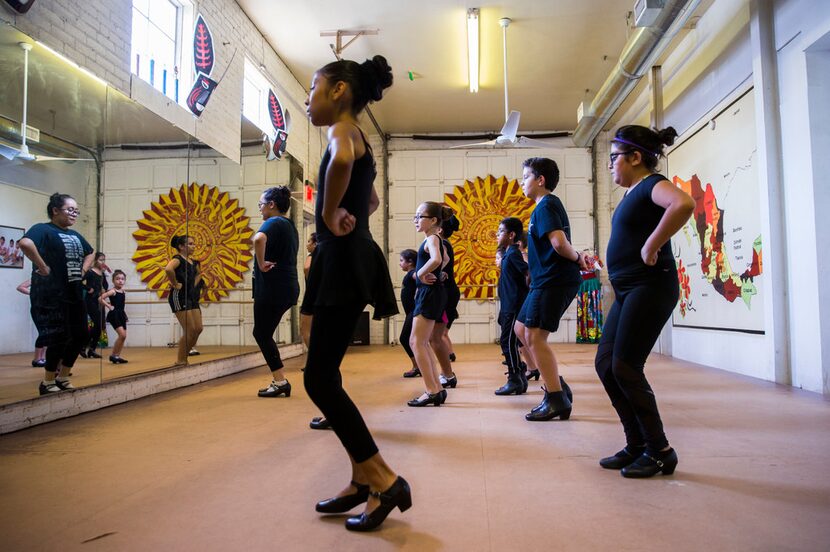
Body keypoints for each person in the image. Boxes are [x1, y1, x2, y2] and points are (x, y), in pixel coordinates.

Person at [302, 54, 410, 531]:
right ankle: (361, 478)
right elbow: (370, 199)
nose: (308, 99)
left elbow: (344, 163)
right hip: (350, 257)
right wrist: (347, 209)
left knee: (318, 378)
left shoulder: (342, 132)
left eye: (312, 88)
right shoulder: (359, 134)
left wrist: (327, 213)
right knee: (326, 375)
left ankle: (385, 480)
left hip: (343, 259)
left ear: (339, 90)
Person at [596, 125, 694, 478]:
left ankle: (659, 451)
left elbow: (683, 203)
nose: (610, 166)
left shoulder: (653, 184)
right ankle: (636, 444)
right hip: (629, 289)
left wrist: (652, 244)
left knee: (625, 367)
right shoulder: (634, 192)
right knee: (606, 365)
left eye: (613, 158)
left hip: (649, 286)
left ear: (636, 157)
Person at [514, 157, 584, 421]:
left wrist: (578, 258)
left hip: (555, 279)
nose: (522, 183)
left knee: (534, 337)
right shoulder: (543, 207)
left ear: (540, 180)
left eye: (525, 177)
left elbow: (558, 243)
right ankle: (558, 385)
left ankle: (556, 400)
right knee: (520, 329)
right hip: (545, 280)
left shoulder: (546, 206)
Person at [18, 193, 94, 394]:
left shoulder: (76, 235)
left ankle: (63, 376)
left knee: (81, 335)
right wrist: (42, 266)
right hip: (53, 295)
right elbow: (25, 243)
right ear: (55, 210)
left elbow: (91, 252)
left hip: (74, 293)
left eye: (76, 211)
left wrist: (84, 270)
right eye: (70, 210)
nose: (74, 214)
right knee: (59, 337)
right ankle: (48, 380)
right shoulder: (42, 229)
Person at [252, 186, 300, 398]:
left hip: (273, 288)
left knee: (261, 333)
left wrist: (261, 263)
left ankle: (280, 381)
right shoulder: (288, 225)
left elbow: (258, 239)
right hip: (286, 286)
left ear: (272, 205)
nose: (260, 209)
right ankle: (280, 380)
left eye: (261, 205)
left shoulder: (272, 222)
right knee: (263, 333)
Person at [408, 201, 451, 407]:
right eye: (415, 217)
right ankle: (437, 389)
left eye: (419, 216)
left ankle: (432, 390)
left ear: (433, 220)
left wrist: (420, 274)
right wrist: (438, 272)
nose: (415, 220)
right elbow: (445, 259)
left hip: (429, 294)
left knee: (416, 342)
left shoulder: (432, 238)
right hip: (435, 293)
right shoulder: (437, 239)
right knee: (422, 343)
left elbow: (436, 259)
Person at [494, 217, 530, 395]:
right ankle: (519, 376)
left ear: (511, 235)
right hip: (508, 304)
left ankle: (515, 379)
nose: (497, 235)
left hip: (514, 305)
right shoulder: (508, 253)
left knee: (507, 342)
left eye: (500, 231)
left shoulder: (514, 253)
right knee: (510, 342)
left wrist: (525, 294)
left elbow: (528, 272)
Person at [164, 235, 203, 365]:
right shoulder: (178, 259)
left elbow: (199, 274)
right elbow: (168, 269)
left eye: (193, 243)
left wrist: (193, 286)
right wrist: (175, 283)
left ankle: (184, 357)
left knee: (198, 329)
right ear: (181, 247)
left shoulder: (192, 262)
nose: (193, 246)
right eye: (190, 244)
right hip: (179, 297)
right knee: (190, 330)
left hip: (191, 297)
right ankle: (181, 360)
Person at [81, 252, 108, 359]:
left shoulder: (102, 272)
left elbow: (105, 285)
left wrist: (105, 274)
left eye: (104, 260)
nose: (103, 262)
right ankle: (83, 346)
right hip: (90, 301)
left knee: (100, 326)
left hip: (99, 301)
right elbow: (79, 282)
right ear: (95, 260)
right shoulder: (90, 272)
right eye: (101, 260)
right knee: (96, 324)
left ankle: (92, 349)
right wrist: (88, 289)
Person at [398, 249, 420, 378]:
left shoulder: (412, 273)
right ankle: (418, 366)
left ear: (410, 262)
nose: (400, 264)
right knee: (411, 340)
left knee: (404, 338)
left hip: (413, 311)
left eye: (401, 261)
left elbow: (419, 276)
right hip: (410, 312)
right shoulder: (410, 273)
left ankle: (417, 366)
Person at [100, 269, 129, 363]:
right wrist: (108, 306)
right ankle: (113, 355)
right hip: (114, 314)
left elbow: (122, 304)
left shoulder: (123, 291)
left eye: (122, 279)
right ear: (113, 280)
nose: (120, 281)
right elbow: (100, 298)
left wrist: (124, 315)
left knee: (123, 336)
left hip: (121, 314)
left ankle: (116, 356)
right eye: (117, 279)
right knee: (122, 334)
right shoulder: (113, 291)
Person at [16, 279, 47, 367]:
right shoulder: (35, 278)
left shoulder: (53, 278)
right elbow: (20, 287)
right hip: (38, 309)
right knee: (43, 333)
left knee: (48, 334)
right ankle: (36, 359)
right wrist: (32, 293)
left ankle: (43, 358)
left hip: (49, 309)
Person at [576, 249, 604, 343]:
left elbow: (600, 267)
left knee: (593, 308)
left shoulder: (593, 259)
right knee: (582, 309)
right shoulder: (577, 259)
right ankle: (583, 335)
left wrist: (591, 258)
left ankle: (594, 334)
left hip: (592, 284)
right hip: (583, 284)